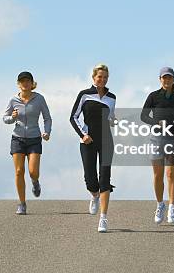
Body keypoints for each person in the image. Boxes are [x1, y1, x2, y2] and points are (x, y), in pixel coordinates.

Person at [141, 66, 174, 224]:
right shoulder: (153, 96)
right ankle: (160, 204)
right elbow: (143, 115)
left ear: (173, 79)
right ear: (160, 79)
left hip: (173, 138)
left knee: (171, 174)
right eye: (164, 77)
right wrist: (156, 123)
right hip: (156, 138)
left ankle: (172, 207)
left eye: (169, 77)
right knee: (158, 175)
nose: (167, 80)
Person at [70, 64, 116, 232]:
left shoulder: (112, 97)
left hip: (106, 141)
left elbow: (110, 117)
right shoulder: (84, 95)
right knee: (90, 179)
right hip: (88, 141)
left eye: (105, 77)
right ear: (93, 77)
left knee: (105, 178)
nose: (102, 80)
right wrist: (83, 135)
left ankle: (103, 218)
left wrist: (113, 121)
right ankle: (94, 195)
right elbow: (73, 117)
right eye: (99, 77)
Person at [3, 71, 52, 215]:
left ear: (32, 83)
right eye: (22, 81)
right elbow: (5, 118)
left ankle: (35, 183)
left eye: (27, 81)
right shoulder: (13, 100)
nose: (25, 84)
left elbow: (47, 118)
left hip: (34, 138)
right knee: (19, 171)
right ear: (18, 84)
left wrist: (47, 132)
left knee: (33, 172)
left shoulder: (39, 99)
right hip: (17, 138)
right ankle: (22, 203)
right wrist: (12, 118)